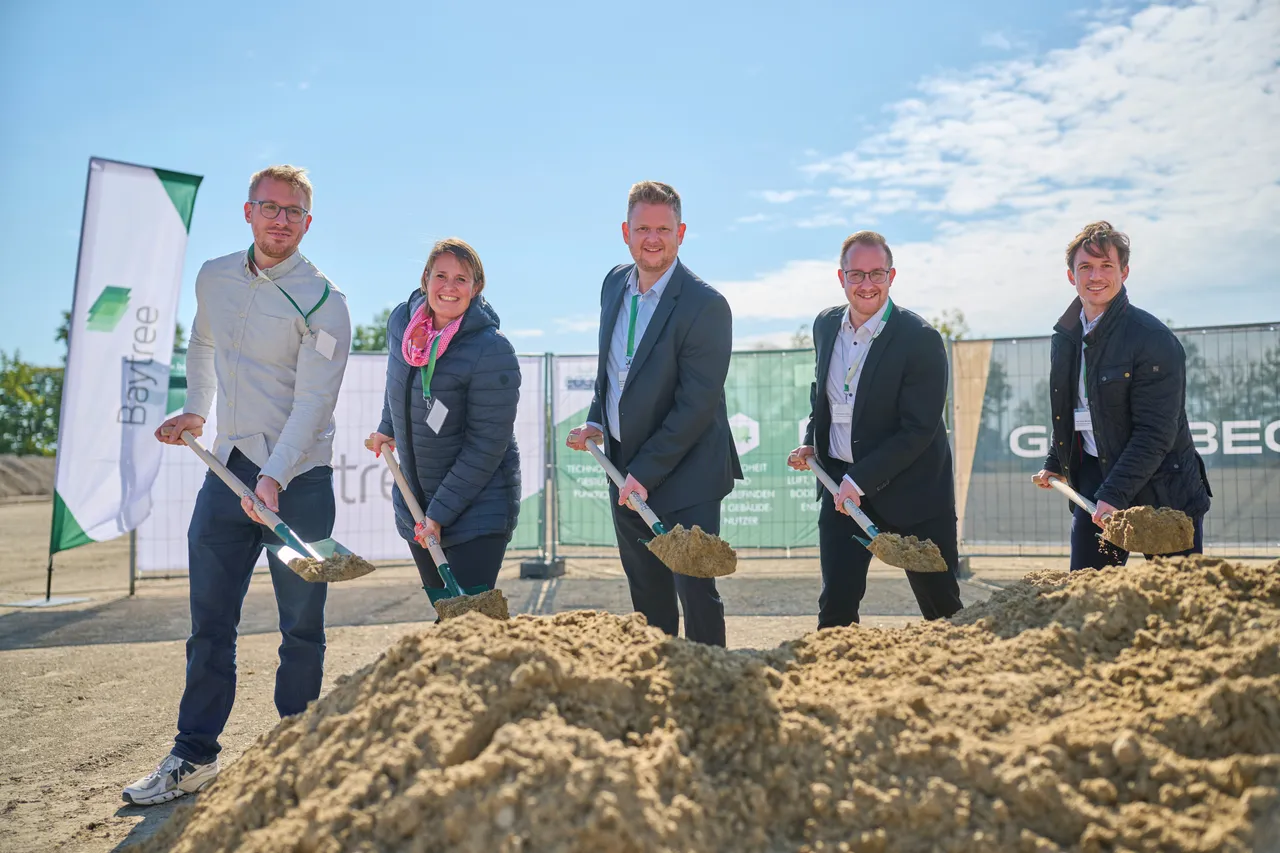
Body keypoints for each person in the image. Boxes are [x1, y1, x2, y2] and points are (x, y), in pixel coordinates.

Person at [125, 165, 352, 805]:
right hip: (227, 473)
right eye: (269, 207)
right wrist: (196, 409)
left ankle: (296, 756)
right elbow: (202, 341)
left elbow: (314, 402)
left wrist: (274, 476)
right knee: (210, 624)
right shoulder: (214, 276)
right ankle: (193, 756)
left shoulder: (325, 301)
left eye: (293, 211)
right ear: (248, 211)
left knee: (301, 627)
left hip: (300, 481)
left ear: (308, 222)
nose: (281, 219)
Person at [565, 181, 741, 647]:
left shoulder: (706, 305)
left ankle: (712, 678)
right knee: (646, 590)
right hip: (623, 465)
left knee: (695, 591)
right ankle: (658, 674)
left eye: (663, 229)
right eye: (643, 228)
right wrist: (598, 420)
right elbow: (613, 369)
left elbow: (697, 404)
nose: (653, 239)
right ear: (626, 232)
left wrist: (643, 471)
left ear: (680, 233)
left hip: (688, 472)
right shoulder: (613, 284)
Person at [787, 230, 963, 627]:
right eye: (856, 274)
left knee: (943, 612)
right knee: (836, 609)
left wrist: (860, 479)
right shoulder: (825, 325)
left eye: (876, 274)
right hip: (842, 493)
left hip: (915, 496)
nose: (867, 284)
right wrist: (812, 442)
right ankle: (833, 667)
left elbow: (919, 429)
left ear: (891, 276)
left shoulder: (920, 339)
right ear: (841, 277)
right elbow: (826, 396)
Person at [1032, 221, 1211, 570]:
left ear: (1124, 272)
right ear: (1071, 276)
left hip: (1163, 490)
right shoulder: (1065, 337)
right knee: (1088, 593)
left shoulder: (1152, 339)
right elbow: (1073, 409)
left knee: (1178, 596)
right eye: (1086, 267)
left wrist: (1114, 494)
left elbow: (1155, 433)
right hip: (1095, 486)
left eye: (1106, 266)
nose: (1095, 276)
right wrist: (1056, 460)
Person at [366, 238, 521, 604]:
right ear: (425, 279)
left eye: (461, 279)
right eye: (441, 276)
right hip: (418, 505)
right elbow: (397, 381)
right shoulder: (402, 324)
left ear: (476, 287)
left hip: (477, 509)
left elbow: (486, 446)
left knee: (470, 621)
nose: (449, 287)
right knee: (446, 613)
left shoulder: (492, 350)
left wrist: (438, 514)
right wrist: (388, 425)